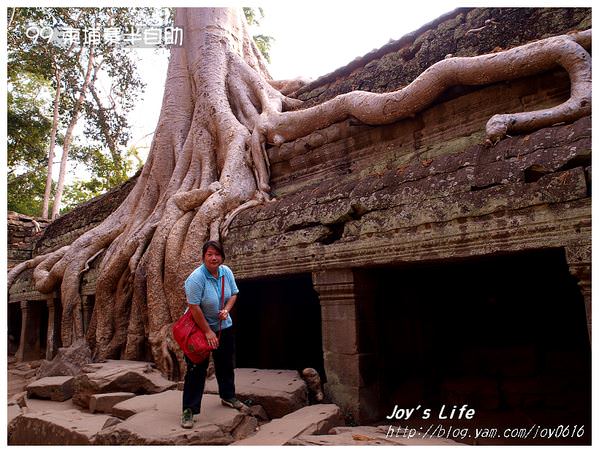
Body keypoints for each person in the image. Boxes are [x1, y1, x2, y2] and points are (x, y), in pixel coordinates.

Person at [180, 240, 245, 429]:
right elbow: (193, 306)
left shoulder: (227, 272)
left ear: (222, 257)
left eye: (217, 254)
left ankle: (228, 396)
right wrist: (207, 331)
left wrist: (226, 309)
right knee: (196, 369)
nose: (213, 258)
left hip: (224, 327)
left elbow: (234, 293)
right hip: (199, 330)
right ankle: (189, 410)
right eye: (209, 254)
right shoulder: (196, 278)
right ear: (203, 257)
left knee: (225, 363)